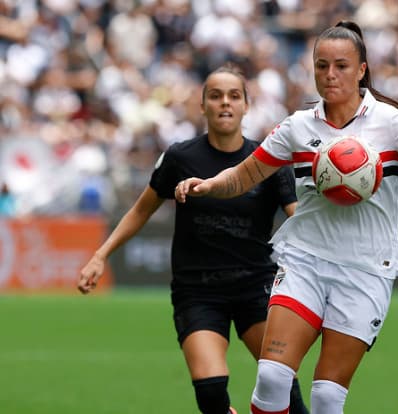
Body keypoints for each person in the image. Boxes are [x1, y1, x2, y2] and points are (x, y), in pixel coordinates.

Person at [175, 21, 398, 414]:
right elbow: (245, 174)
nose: (330, 75)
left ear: (362, 69)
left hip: (366, 270)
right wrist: (209, 185)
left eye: (341, 66)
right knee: (271, 377)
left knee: (326, 398)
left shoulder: (392, 123)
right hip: (305, 261)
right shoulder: (298, 126)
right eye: (321, 66)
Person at [77, 64, 310, 414]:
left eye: (234, 96)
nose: (225, 103)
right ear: (202, 106)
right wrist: (100, 254)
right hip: (198, 291)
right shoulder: (179, 157)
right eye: (215, 96)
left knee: (283, 388)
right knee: (212, 394)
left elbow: (300, 221)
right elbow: (141, 210)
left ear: (247, 105)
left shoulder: (267, 160)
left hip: (256, 288)